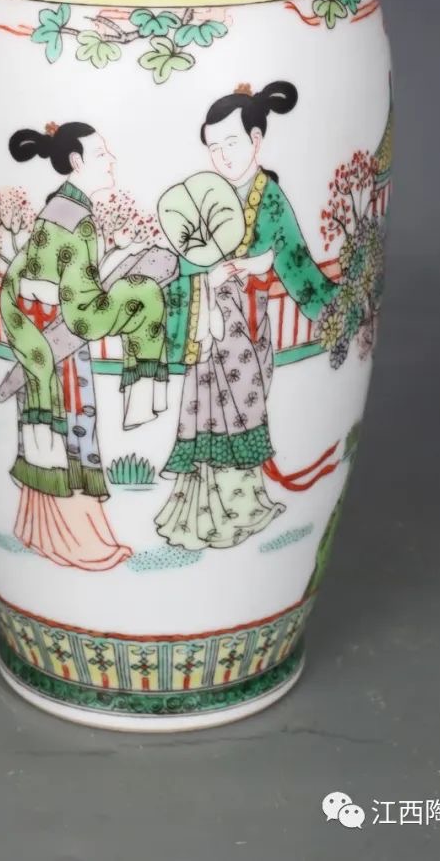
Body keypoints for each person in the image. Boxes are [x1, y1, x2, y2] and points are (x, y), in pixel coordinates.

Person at [154, 81, 343, 551]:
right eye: (213, 147)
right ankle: (200, 511)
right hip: (208, 325)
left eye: (231, 143)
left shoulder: (269, 198)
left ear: (257, 141)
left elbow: (296, 259)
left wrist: (331, 309)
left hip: (246, 327)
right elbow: (183, 259)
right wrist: (208, 275)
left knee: (244, 404)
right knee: (203, 410)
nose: (222, 156)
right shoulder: (205, 195)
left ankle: (241, 506)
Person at [0, 121, 168, 570]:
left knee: (56, 433)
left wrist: (117, 259)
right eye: (102, 154)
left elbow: (74, 284)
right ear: (77, 162)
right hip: (59, 341)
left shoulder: (58, 211)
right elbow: (83, 314)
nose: (110, 161)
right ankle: (76, 541)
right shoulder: (78, 222)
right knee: (71, 428)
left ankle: (44, 532)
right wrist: (138, 296)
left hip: (43, 338)